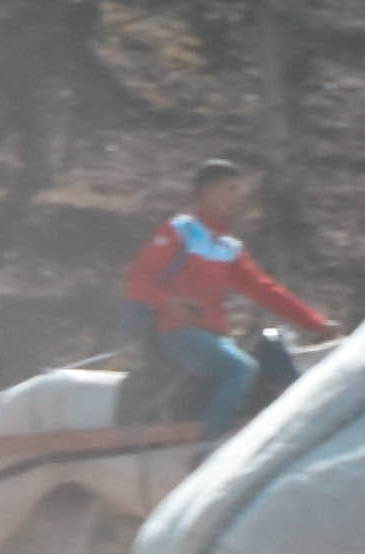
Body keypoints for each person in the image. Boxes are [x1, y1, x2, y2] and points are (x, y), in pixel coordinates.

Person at [121, 157, 333, 442]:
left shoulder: (228, 247)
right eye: (231, 189)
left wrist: (316, 324)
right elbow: (137, 278)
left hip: (215, 337)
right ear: (208, 192)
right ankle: (211, 446)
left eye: (239, 190)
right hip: (176, 334)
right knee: (240, 369)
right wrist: (168, 303)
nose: (238, 197)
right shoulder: (179, 230)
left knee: (273, 355)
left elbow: (266, 291)